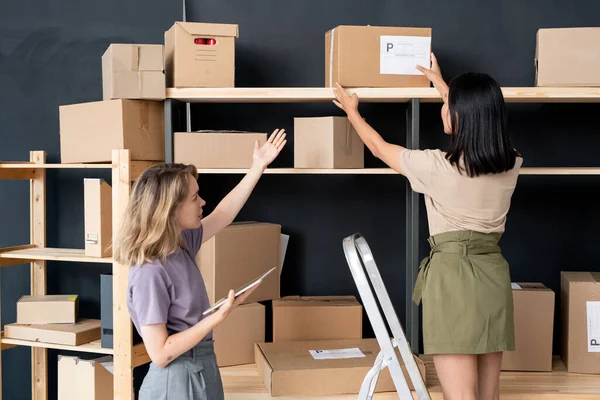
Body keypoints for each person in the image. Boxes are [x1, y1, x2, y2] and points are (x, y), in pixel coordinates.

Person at [333, 53, 522, 400]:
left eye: (448, 103)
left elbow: (377, 148)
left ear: (459, 115)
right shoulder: (511, 163)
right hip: (493, 278)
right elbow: (478, 119)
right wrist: (441, 84)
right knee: (488, 396)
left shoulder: (436, 167)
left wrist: (352, 111)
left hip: (453, 281)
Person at [113, 129, 287, 400]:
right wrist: (218, 316)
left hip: (200, 368)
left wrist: (258, 166)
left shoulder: (179, 245)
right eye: (194, 198)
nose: (202, 202)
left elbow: (224, 214)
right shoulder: (149, 272)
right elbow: (159, 353)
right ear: (169, 208)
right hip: (176, 382)